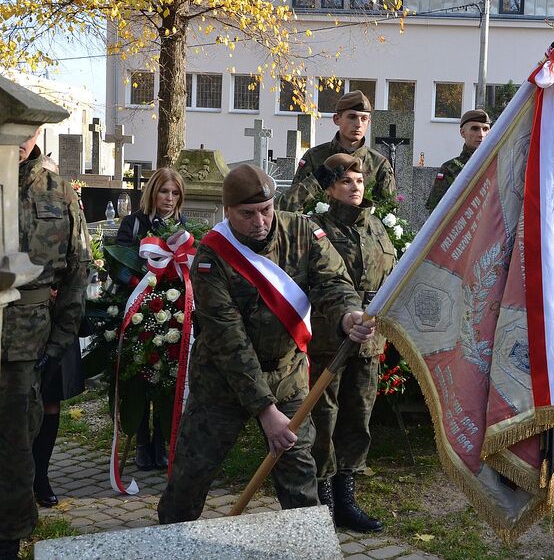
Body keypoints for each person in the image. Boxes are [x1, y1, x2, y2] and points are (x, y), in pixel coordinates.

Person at [157, 164, 375, 524]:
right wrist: (264, 410)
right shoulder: (213, 256)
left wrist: (347, 314)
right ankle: (169, 544)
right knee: (190, 477)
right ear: (227, 211)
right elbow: (229, 341)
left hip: (287, 375)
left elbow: (332, 282)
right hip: (223, 384)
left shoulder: (302, 232)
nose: (260, 221)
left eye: (266, 210)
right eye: (247, 214)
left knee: (300, 478)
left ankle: (306, 547)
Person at [1, 127, 90, 559]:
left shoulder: (57, 191)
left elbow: (78, 267)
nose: (19, 137)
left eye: (29, 127)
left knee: (16, 445)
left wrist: (60, 340)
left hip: (28, 343)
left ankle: (9, 539)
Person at [308, 154, 397, 532]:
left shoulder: (377, 226)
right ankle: (322, 499)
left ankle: (346, 499)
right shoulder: (315, 228)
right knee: (323, 419)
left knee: (357, 417)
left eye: (359, 180)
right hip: (328, 341)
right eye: (346, 181)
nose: (355, 187)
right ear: (330, 189)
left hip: (369, 343)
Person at [115, 167, 187, 471]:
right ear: (152, 193)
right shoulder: (133, 224)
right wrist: (136, 282)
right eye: (163, 192)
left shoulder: (183, 227)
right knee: (141, 377)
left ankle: (162, 442)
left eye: (174, 194)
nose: (169, 199)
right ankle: (143, 442)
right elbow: (115, 264)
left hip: (170, 311)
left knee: (167, 377)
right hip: (138, 309)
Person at [278, 90, 396, 212]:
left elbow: (388, 211)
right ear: (336, 119)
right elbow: (291, 205)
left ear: (369, 122)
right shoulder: (314, 157)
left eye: (364, 118)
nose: (358, 124)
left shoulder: (379, 163)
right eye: (352, 117)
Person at [424, 109, 492, 212]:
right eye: (475, 129)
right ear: (463, 133)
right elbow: (436, 209)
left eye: (485, 129)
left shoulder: (498, 163)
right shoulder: (450, 168)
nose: (481, 134)